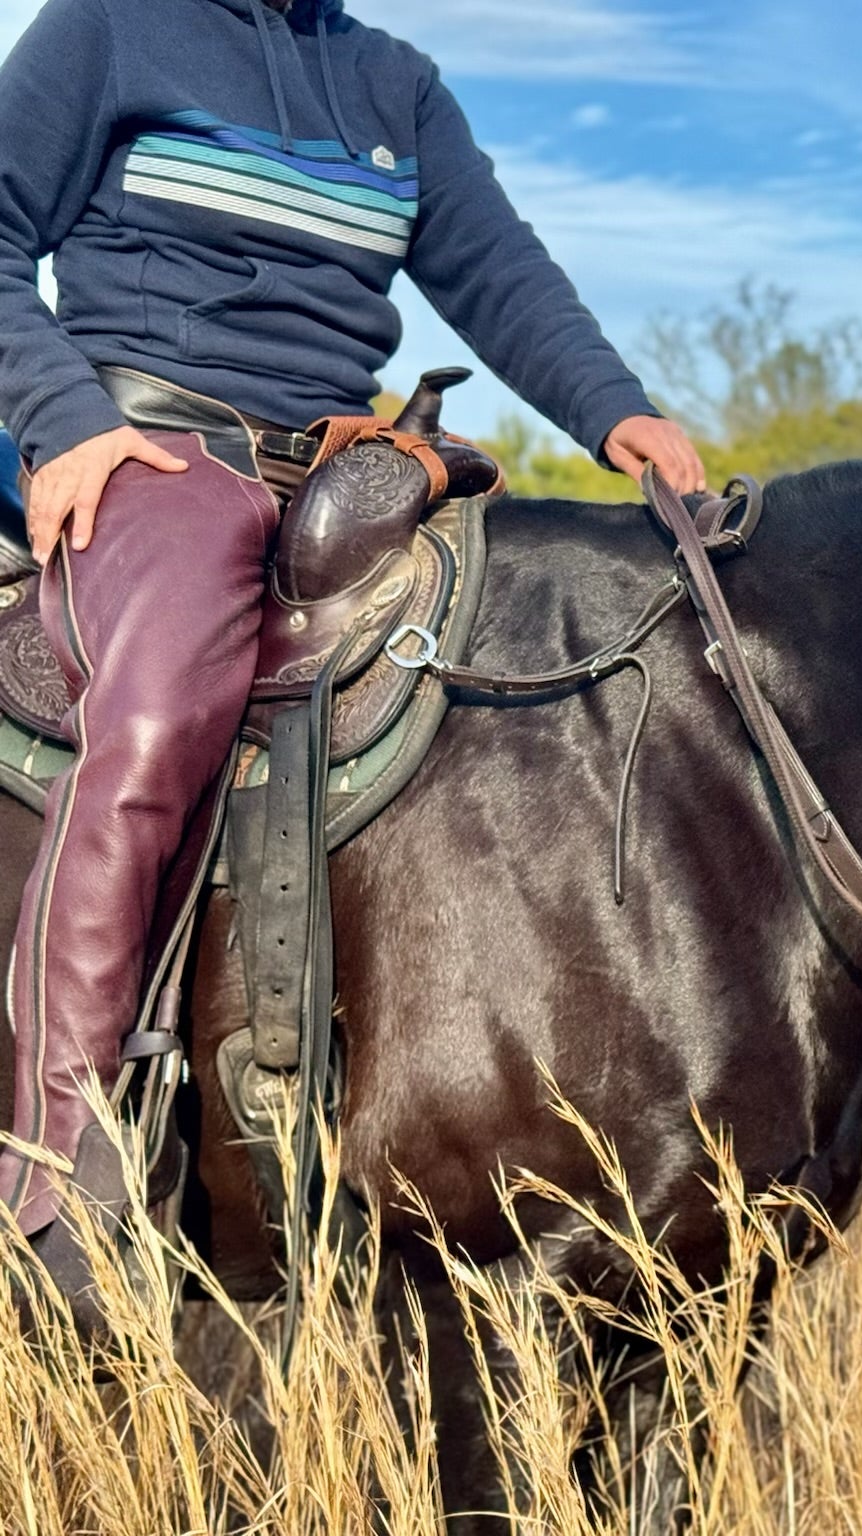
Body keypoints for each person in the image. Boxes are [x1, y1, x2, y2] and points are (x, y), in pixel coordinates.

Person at [0, 0, 707, 1280]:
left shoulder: (396, 84)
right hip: (157, 451)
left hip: (351, 477)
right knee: (155, 718)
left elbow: (499, 273)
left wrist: (621, 415)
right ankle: (61, 1173)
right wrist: (63, 419)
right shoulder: (109, 27)